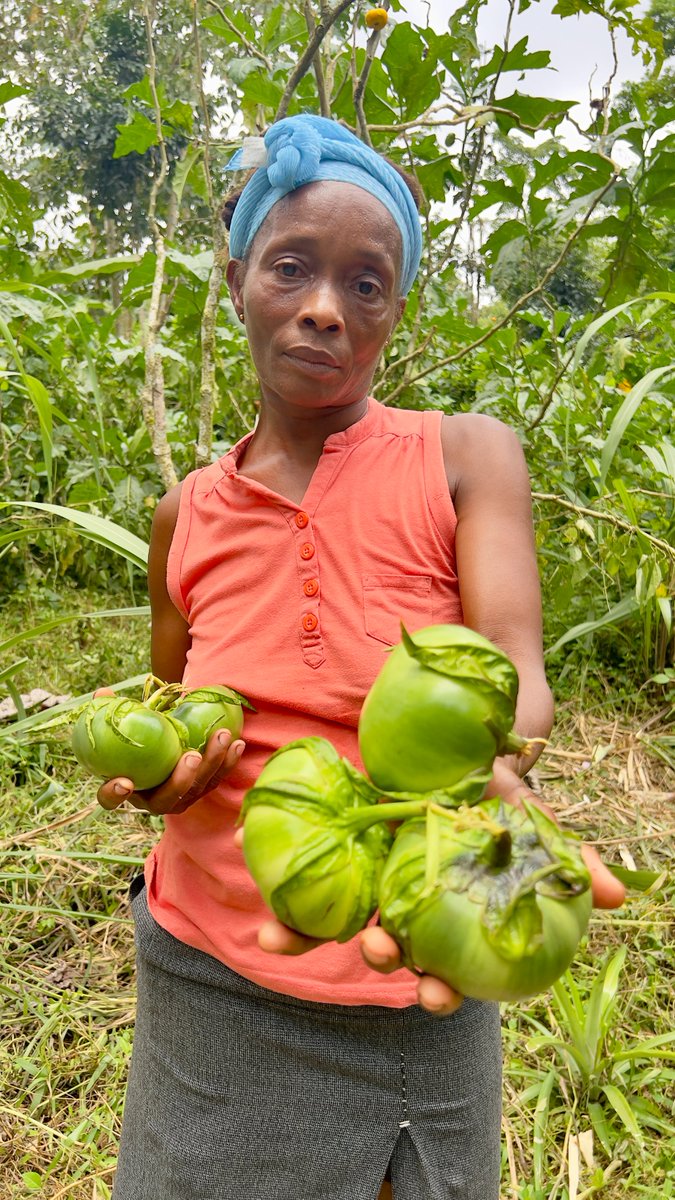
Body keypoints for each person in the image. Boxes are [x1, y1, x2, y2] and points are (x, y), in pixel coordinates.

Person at [100, 114, 624, 1200]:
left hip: (415, 938)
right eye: (291, 267)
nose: (326, 307)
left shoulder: (464, 457)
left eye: (367, 283)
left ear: (395, 311)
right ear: (237, 280)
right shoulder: (182, 515)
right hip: (209, 965)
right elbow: (175, 700)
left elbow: (513, 663)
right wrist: (159, 776)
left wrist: (500, 770)